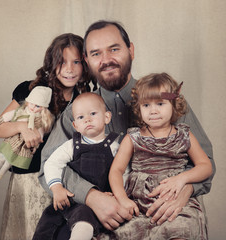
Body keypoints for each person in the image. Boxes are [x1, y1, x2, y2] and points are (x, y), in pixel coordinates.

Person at [39, 20, 215, 238]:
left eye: (114, 49)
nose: (106, 60)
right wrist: (93, 197)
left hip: (165, 210)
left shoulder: (166, 99)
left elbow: (206, 161)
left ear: (130, 50)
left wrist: (184, 190)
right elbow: (48, 164)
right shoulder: (79, 111)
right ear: (87, 60)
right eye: (96, 53)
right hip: (101, 216)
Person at [0, 33, 91, 240]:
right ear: (51, 63)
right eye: (62, 62)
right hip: (27, 181)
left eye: (76, 62)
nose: (69, 69)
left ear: (85, 66)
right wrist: (21, 127)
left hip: (61, 182)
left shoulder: (83, 98)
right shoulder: (32, 90)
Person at [97, 72, 212, 239]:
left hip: (175, 201)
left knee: (183, 229)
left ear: (174, 104)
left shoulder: (184, 135)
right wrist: (122, 198)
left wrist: (182, 179)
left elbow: (205, 166)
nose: (153, 111)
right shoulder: (133, 137)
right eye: (146, 105)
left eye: (160, 103)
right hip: (139, 204)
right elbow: (116, 170)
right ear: (139, 108)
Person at [33, 92, 120, 240]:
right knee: (46, 224)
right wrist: (56, 187)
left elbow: (122, 172)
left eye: (93, 113)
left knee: (84, 221)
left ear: (107, 117)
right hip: (70, 199)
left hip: (98, 202)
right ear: (75, 125)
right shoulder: (72, 145)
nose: (87, 120)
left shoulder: (114, 146)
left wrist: (116, 195)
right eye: (81, 117)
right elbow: (52, 163)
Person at [0, 86, 54, 181]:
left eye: (38, 106)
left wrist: (35, 146)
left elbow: (39, 135)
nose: (33, 108)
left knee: (9, 161)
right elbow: (7, 116)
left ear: (43, 108)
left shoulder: (40, 120)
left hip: (23, 145)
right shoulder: (20, 111)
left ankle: (0, 174)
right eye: (32, 104)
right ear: (27, 102)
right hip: (14, 139)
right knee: (2, 156)